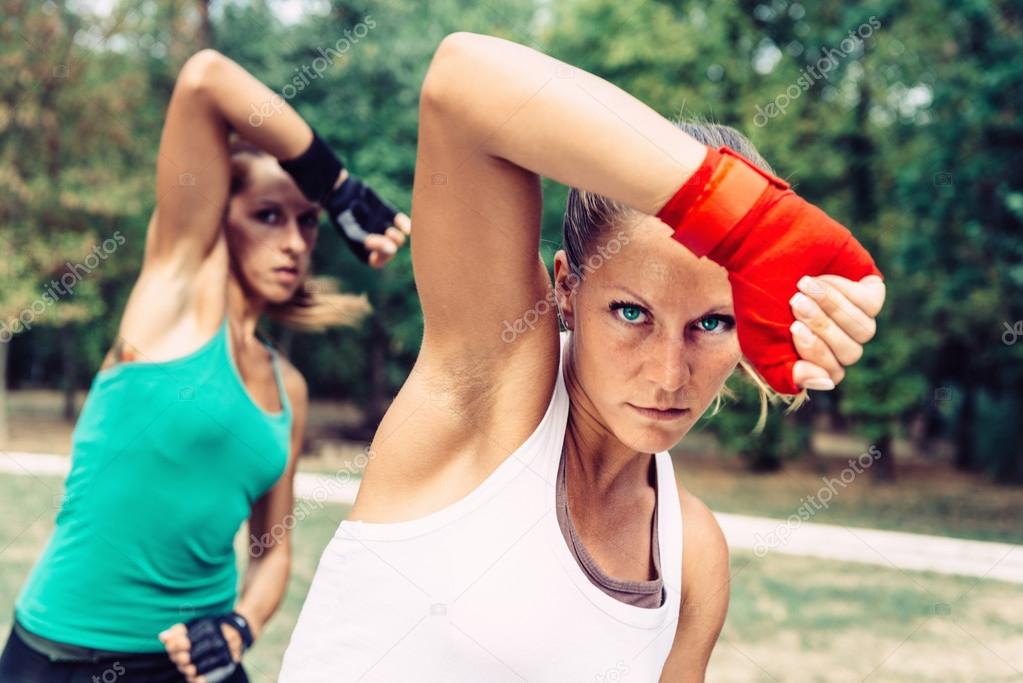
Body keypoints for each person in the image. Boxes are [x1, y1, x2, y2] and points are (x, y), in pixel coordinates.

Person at [277, 32, 886, 683]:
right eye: (631, 313)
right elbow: (462, 82)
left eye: (712, 322)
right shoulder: (492, 400)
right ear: (566, 288)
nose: (668, 373)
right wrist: (746, 219)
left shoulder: (691, 555)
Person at [0, 48, 410, 683]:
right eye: (268, 216)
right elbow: (204, 79)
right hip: (61, 660)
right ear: (219, 219)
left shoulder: (288, 389)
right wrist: (335, 188)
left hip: (194, 668)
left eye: (308, 223)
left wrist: (238, 626)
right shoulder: (174, 297)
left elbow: (273, 553)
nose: (296, 241)